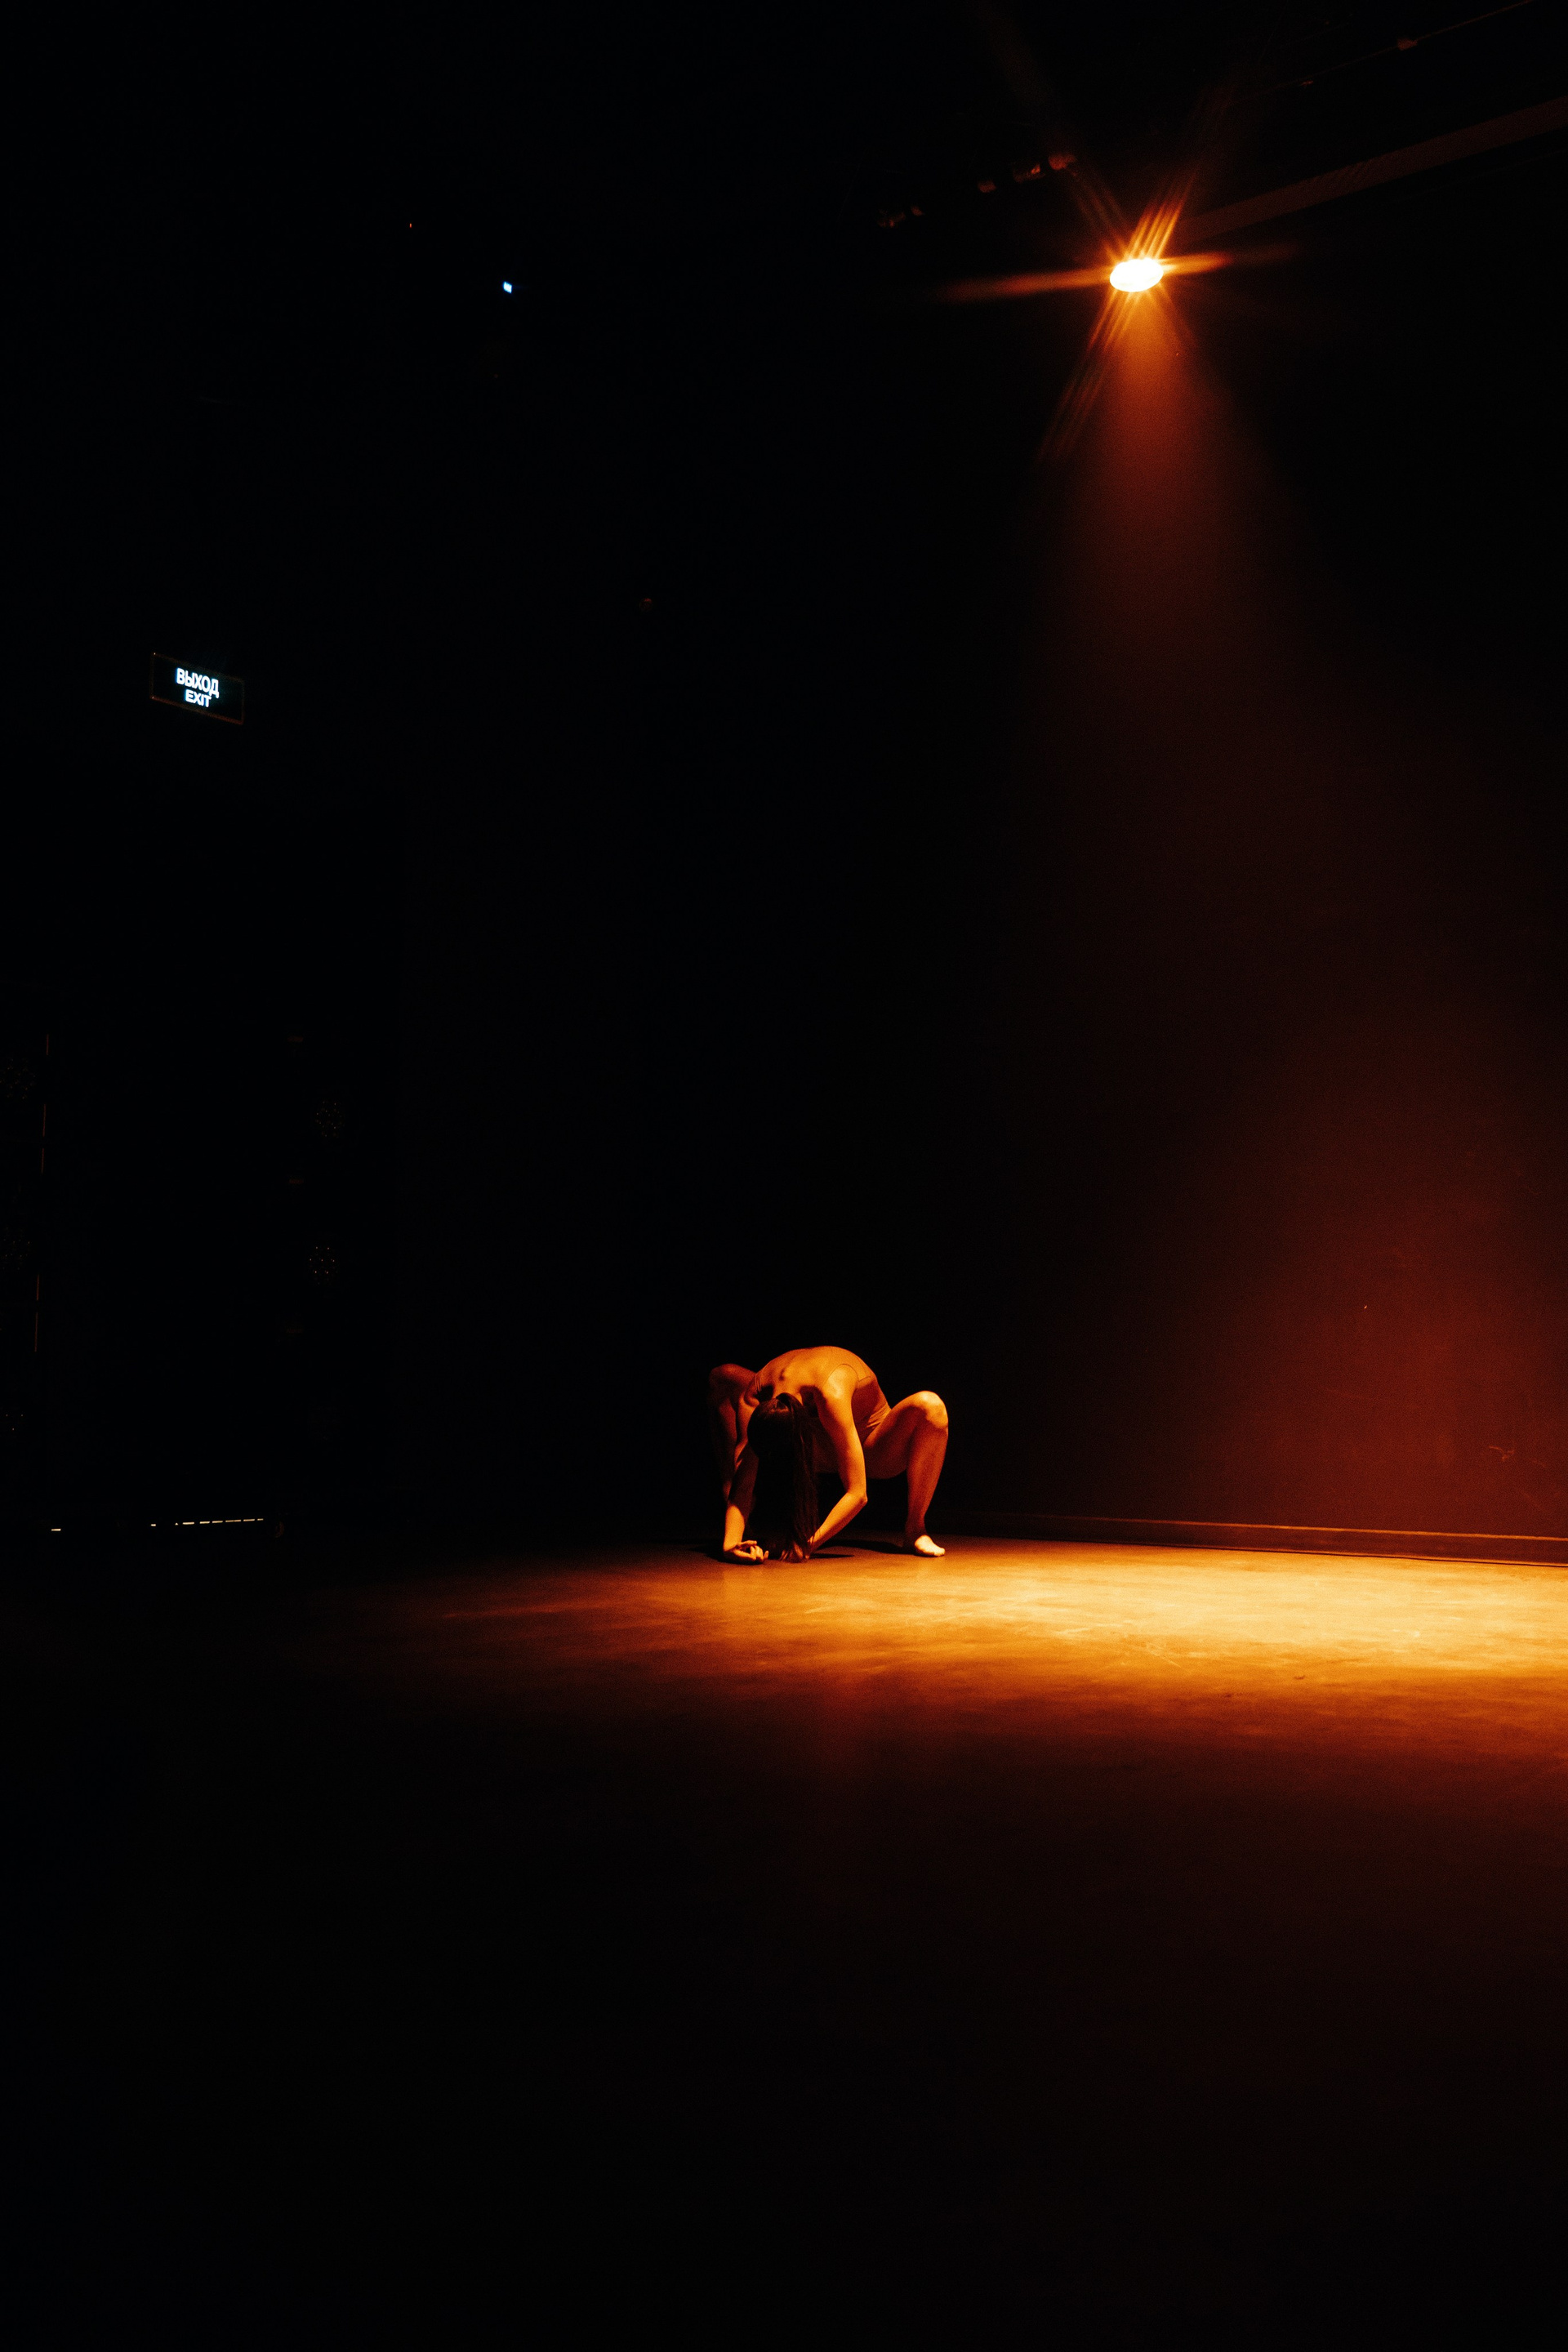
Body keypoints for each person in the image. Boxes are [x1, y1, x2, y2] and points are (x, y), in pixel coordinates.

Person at [707, 1346, 948, 1561]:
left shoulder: (831, 1393)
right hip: (820, 1448)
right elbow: (744, 1480)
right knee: (724, 1376)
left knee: (932, 1406)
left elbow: (858, 1493)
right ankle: (744, 1527)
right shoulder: (754, 1395)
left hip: (870, 1449)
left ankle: (915, 1528)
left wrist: (807, 1545)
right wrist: (730, 1544)